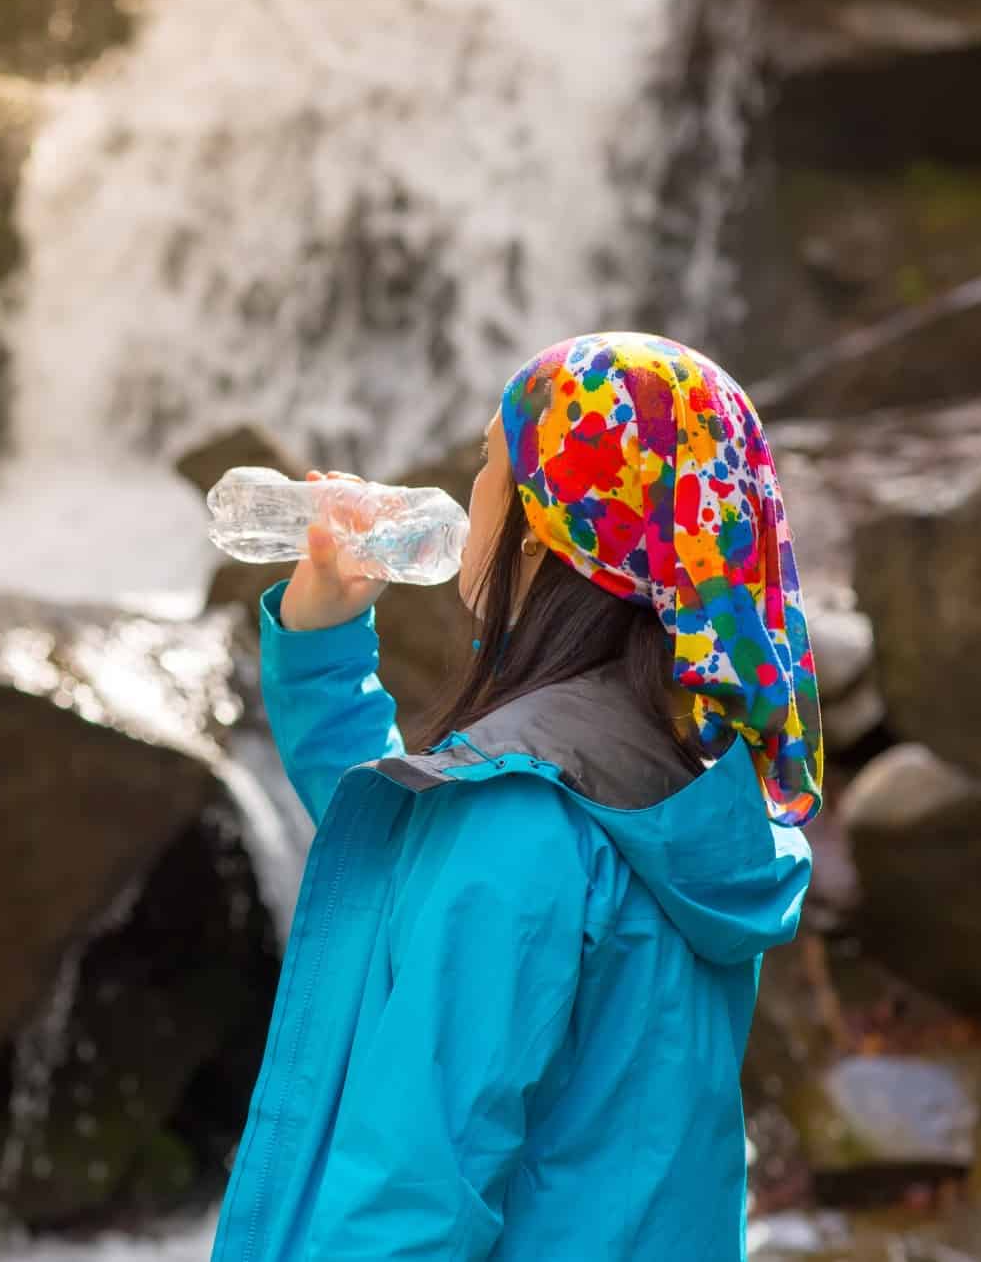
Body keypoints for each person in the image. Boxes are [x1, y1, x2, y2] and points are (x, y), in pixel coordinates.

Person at [209, 331, 819, 1262]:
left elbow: (411, 1201)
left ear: (548, 523)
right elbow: (415, 874)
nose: (469, 489)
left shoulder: (519, 817)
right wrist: (324, 648)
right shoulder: (675, 781)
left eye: (490, 459)